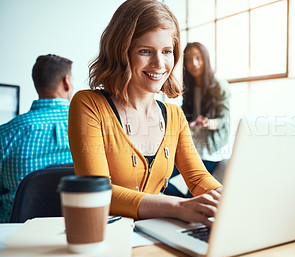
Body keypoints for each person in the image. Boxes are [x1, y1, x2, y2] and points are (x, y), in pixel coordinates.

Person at [68, 0, 222, 227]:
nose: (159, 63)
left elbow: (198, 178)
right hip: (105, 237)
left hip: (155, 236)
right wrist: (179, 207)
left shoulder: (175, 116)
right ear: (121, 53)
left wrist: (229, 201)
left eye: (167, 51)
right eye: (145, 51)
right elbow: (98, 192)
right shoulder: (89, 105)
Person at [0, 54, 74, 222]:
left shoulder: (7, 133)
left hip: (13, 234)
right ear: (66, 82)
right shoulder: (91, 126)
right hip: (74, 226)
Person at [164, 42, 230, 198]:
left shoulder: (218, 85)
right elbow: (184, 116)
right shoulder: (189, 86)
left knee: (193, 195)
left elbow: (224, 120)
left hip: (210, 151)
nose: (194, 63)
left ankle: (185, 205)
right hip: (190, 146)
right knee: (161, 180)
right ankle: (184, 204)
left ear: (205, 60)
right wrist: (189, 124)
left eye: (198, 58)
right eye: (189, 59)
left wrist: (209, 123)